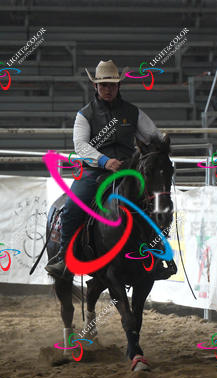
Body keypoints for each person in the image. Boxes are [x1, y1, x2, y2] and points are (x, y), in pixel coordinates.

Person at [46, 60, 176, 279]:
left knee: (156, 203)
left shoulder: (133, 113)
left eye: (112, 85)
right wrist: (105, 161)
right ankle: (64, 258)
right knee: (72, 208)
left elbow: (153, 135)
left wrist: (162, 147)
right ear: (95, 86)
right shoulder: (85, 115)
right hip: (94, 171)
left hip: (128, 171)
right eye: (104, 85)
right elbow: (80, 146)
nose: (108, 89)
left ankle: (160, 253)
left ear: (118, 86)